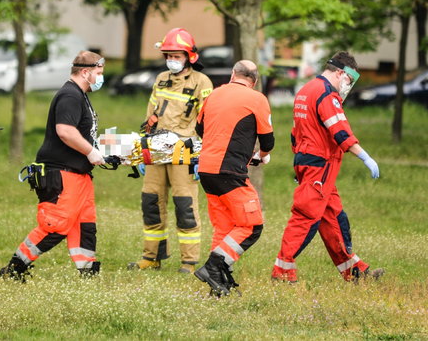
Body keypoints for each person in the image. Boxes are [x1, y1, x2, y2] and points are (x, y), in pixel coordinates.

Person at [271, 52, 384, 283]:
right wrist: (365, 157)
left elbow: (296, 133)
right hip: (320, 166)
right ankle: (282, 272)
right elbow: (340, 131)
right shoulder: (327, 94)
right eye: (349, 82)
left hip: (310, 163)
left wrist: (300, 164)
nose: (347, 87)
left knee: (334, 220)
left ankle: (355, 272)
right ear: (341, 73)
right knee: (306, 218)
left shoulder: (305, 90)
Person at [0, 50, 106, 281]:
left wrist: (105, 151)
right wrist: (91, 151)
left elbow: (82, 133)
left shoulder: (81, 94)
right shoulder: (70, 95)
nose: (101, 77)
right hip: (62, 173)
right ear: (85, 72)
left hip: (80, 175)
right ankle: (14, 269)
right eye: (98, 72)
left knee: (84, 225)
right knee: (55, 225)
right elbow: (65, 131)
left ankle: (87, 274)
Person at [128, 28, 213, 273]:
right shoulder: (161, 78)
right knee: (151, 202)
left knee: (184, 205)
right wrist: (143, 148)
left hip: (184, 152)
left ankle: (188, 261)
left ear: (189, 57)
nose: (171, 60)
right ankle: (151, 257)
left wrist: (201, 155)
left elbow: (207, 120)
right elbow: (150, 114)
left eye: (176, 56)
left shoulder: (202, 83)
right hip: (156, 149)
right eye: (168, 55)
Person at [194, 60, 274, 296]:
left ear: (232, 75)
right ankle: (212, 268)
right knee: (252, 226)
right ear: (254, 81)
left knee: (225, 227)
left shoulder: (215, 94)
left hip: (206, 170)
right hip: (229, 172)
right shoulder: (257, 98)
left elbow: (200, 129)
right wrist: (261, 155)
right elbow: (268, 141)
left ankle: (219, 285)